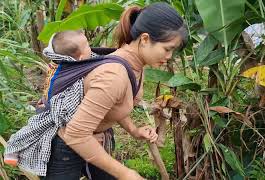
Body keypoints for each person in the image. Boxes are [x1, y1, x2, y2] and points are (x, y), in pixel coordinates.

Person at [6, 2, 188, 180]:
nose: (169, 57)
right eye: (167, 49)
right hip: (65, 148)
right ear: (145, 39)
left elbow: (111, 103)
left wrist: (134, 130)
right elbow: (75, 134)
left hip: (95, 142)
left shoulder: (137, 66)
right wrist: (126, 173)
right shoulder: (113, 76)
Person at [3, 30, 92, 167]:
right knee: (36, 127)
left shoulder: (59, 60)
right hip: (48, 105)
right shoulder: (70, 69)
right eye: (88, 46)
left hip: (47, 99)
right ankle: (13, 148)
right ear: (80, 58)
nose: (90, 48)